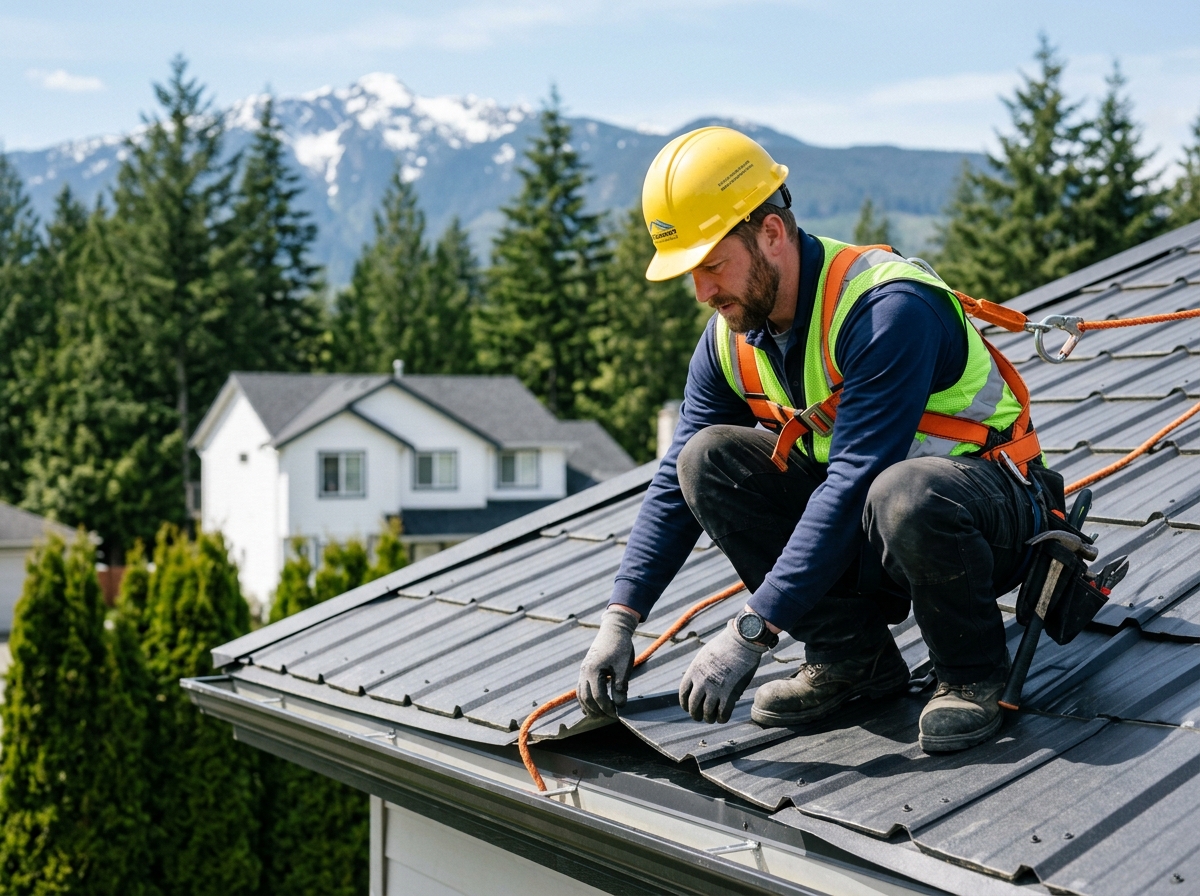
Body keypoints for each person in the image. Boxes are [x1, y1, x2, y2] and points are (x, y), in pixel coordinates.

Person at [575, 126, 1061, 753]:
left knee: (902, 491)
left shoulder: (888, 308)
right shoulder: (730, 338)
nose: (702, 293)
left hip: (989, 521)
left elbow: (855, 477)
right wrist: (621, 618)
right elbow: (674, 482)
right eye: (690, 274)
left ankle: (969, 674)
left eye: (712, 266)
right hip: (874, 528)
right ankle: (851, 660)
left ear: (771, 234)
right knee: (707, 460)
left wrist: (753, 629)